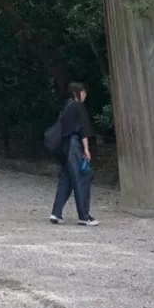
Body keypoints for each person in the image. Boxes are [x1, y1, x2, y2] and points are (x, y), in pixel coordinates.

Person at [50, 82, 97, 226]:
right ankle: (84, 216)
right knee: (81, 179)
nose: (84, 95)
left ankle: (55, 213)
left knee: (66, 179)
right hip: (74, 146)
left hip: (63, 147)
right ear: (77, 93)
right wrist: (86, 149)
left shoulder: (66, 107)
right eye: (82, 92)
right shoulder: (78, 107)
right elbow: (83, 130)